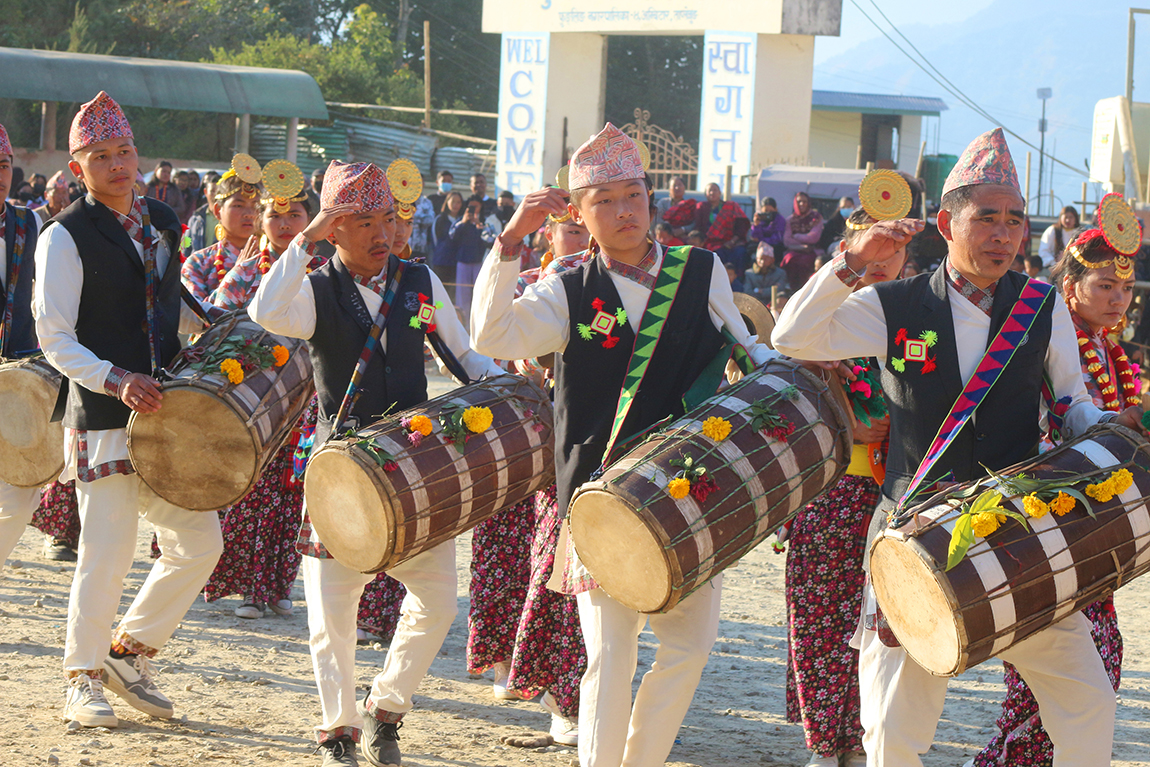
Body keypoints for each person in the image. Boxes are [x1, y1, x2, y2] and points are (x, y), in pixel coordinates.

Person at [772, 127, 1134, 767]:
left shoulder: (1040, 305)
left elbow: (1071, 402)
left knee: (1087, 701)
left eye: (1015, 220)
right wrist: (853, 261)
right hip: (915, 537)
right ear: (945, 222)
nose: (1003, 233)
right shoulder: (892, 304)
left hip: (1016, 531)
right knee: (895, 729)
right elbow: (793, 338)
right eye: (986, 217)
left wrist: (1110, 427)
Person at [471, 122, 778, 767]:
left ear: (650, 199)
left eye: (632, 195)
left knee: (690, 648)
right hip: (599, 496)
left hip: (690, 492)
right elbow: (494, 334)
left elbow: (750, 350)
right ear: (579, 215)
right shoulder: (566, 289)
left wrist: (792, 372)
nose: (623, 211)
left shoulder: (701, 270)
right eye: (603, 200)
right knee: (610, 655)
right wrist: (508, 242)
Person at [249, 159, 502, 767]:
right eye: (361, 222)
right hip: (341, 470)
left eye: (386, 218)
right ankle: (338, 728)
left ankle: (387, 704)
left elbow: (464, 355)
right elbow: (265, 312)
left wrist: (510, 390)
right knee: (332, 614)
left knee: (438, 601)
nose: (379, 232)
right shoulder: (314, 290)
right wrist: (305, 239)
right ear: (335, 230)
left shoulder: (419, 280)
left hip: (416, 469)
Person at [34, 91, 223, 729]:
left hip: (167, 417)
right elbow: (53, 337)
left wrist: (224, 333)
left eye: (125, 152)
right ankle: (80, 678)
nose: (118, 165)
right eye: (102, 156)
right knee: (107, 552)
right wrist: (115, 379)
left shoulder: (166, 220)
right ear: (78, 166)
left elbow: (176, 302)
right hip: (103, 415)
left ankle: (128, 651)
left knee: (201, 541)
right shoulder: (63, 236)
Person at [971, 218, 1138, 767]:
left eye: (1126, 288)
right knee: (1061, 680)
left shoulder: (1110, 352)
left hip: (1092, 527)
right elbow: (1056, 427)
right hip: (1051, 523)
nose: (1118, 299)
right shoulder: (1049, 342)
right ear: (1070, 288)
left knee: (1091, 669)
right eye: (1104, 286)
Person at [784, 203, 907, 767]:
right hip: (831, 491)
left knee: (877, 625)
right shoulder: (825, 313)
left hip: (895, 497)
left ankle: (860, 737)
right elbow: (785, 382)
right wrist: (845, 420)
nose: (882, 265)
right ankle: (823, 741)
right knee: (819, 617)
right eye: (869, 253)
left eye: (894, 254)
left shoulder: (913, 318)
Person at [202, 161, 322, 619]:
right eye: (276, 215)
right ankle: (253, 587)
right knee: (254, 492)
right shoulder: (248, 271)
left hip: (308, 402)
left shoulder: (326, 271)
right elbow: (213, 317)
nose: (285, 224)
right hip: (253, 399)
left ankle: (278, 585)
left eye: (296, 216)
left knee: (295, 493)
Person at [0, 121, 44, 570]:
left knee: (20, 491)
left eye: (4, 165)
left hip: (18, 377)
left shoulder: (30, 223)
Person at [181, 160, 261, 301]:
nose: (249, 213)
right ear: (218, 211)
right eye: (238, 205)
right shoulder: (198, 263)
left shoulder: (273, 258)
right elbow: (198, 315)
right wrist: (237, 274)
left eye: (256, 205)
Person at [449, 196, 496, 316]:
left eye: (477, 206)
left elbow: (491, 241)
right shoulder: (460, 221)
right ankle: (463, 321)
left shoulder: (486, 223)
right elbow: (451, 237)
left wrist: (479, 225)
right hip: (462, 262)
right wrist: (464, 222)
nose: (474, 209)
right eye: (471, 206)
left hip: (480, 263)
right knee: (462, 294)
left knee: (480, 293)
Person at [781, 191, 824, 289]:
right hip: (795, 250)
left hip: (812, 251)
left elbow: (813, 237)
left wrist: (796, 236)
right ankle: (792, 288)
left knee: (806, 262)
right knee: (789, 260)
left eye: (804, 201)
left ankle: (807, 289)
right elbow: (787, 240)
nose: (802, 204)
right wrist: (802, 246)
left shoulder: (816, 218)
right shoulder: (790, 220)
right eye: (799, 201)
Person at [694, 182, 748, 252]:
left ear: (720, 193)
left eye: (715, 190)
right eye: (709, 191)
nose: (712, 193)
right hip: (708, 241)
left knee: (740, 251)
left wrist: (732, 241)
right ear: (705, 195)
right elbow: (698, 226)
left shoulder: (731, 206)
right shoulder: (701, 207)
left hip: (730, 241)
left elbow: (742, 226)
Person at [432, 190, 464, 288]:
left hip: (457, 262)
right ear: (447, 202)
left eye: (458, 202)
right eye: (453, 201)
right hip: (442, 261)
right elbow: (434, 239)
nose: (455, 205)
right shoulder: (440, 219)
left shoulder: (463, 220)